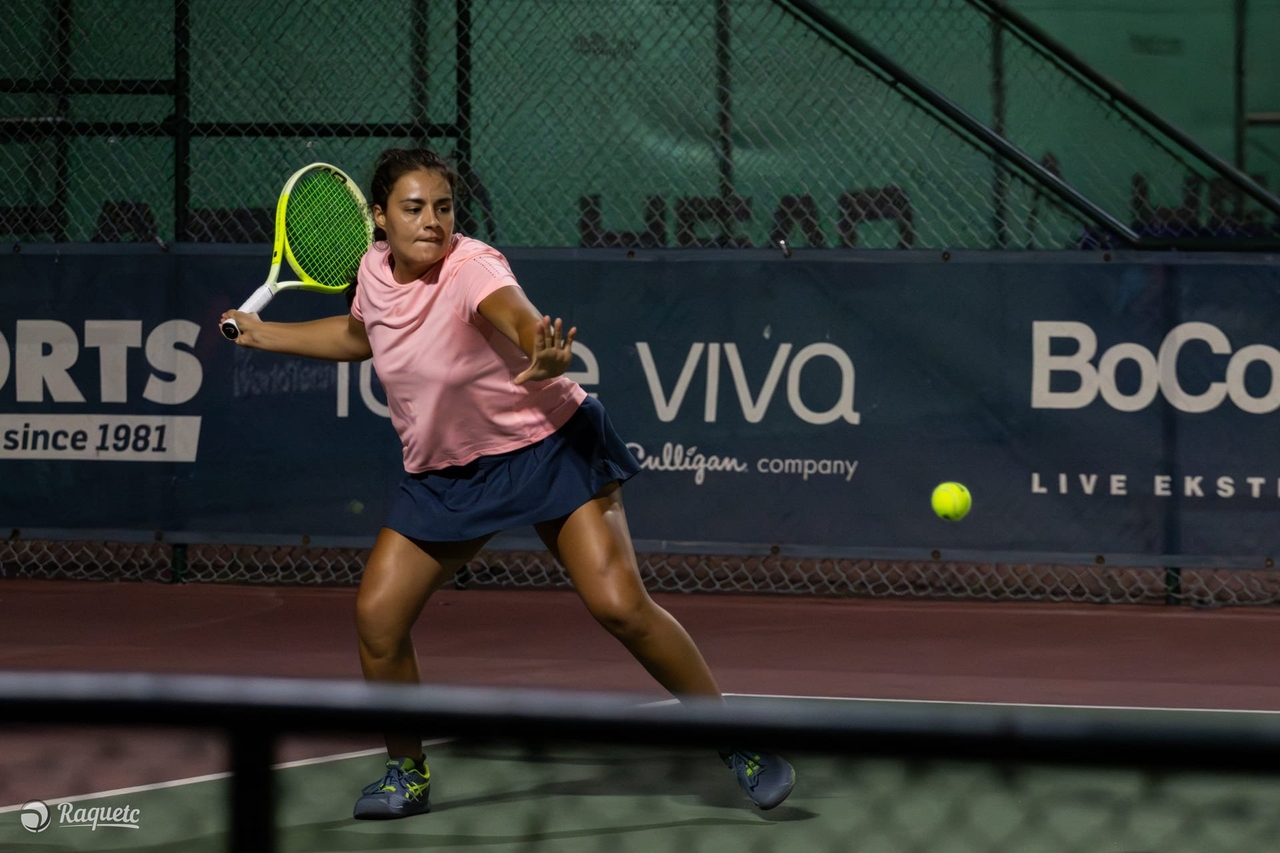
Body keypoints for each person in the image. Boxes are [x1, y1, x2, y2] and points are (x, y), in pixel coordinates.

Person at [219, 148, 795, 818]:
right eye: (414, 208)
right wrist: (264, 335)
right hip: (447, 474)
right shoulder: (372, 271)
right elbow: (359, 336)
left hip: (548, 447)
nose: (432, 222)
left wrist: (541, 349)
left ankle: (738, 742)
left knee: (619, 606)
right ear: (379, 217)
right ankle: (407, 773)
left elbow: (520, 317)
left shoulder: (473, 267)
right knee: (378, 618)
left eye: (443, 207)